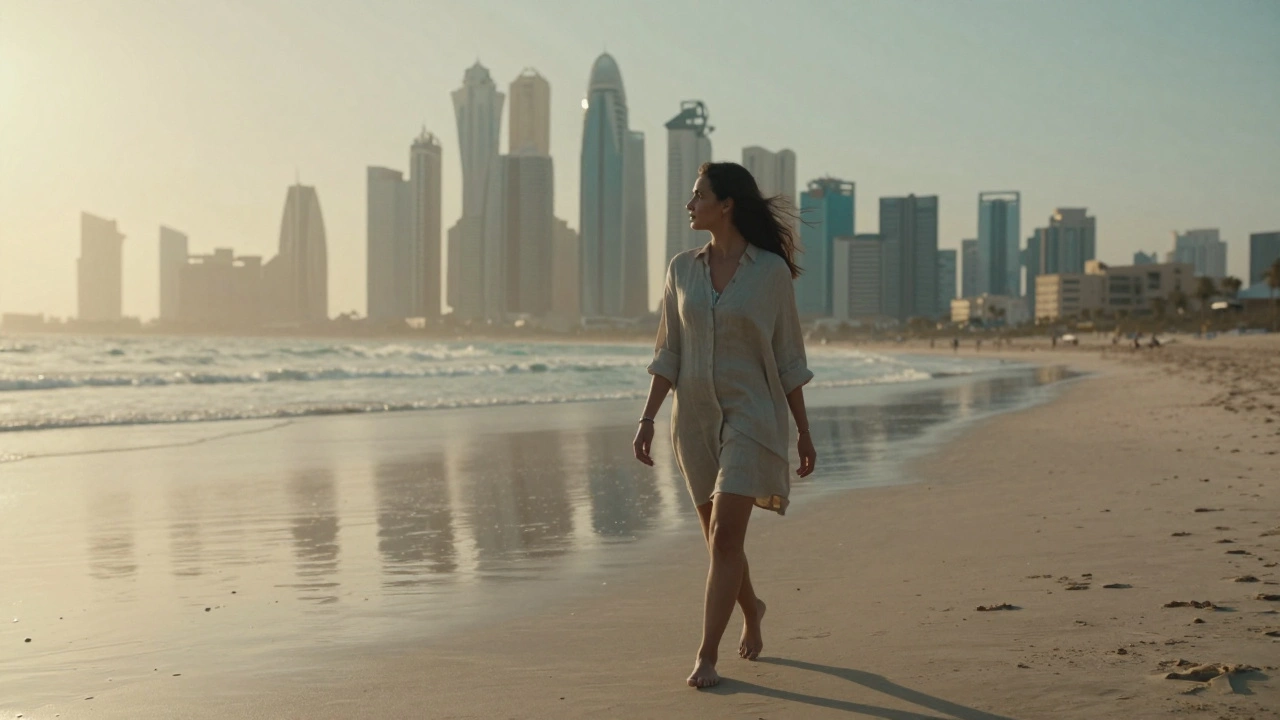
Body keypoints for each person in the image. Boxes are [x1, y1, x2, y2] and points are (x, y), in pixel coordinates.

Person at [633, 161, 816, 689]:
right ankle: (753, 607)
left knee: (727, 534)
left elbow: (788, 359)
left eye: (698, 196)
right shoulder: (681, 269)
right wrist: (647, 417)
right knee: (720, 541)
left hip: (752, 416)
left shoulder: (771, 273)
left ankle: (706, 654)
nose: (690, 206)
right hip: (692, 420)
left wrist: (803, 432)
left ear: (726, 204)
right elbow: (668, 351)